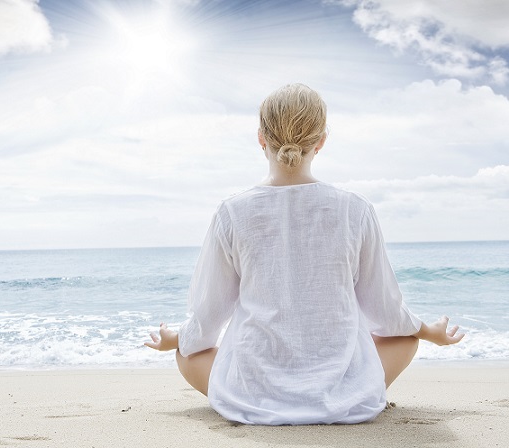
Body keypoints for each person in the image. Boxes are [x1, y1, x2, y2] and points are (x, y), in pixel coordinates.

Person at [144, 83, 464, 425]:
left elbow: (210, 314)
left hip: (253, 400)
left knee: (187, 353)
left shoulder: (232, 212)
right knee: (404, 338)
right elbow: (384, 309)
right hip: (344, 399)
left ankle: (261, 396)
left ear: (261, 139)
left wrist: (176, 339)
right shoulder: (355, 210)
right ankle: (343, 395)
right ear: (321, 141)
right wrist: (428, 331)